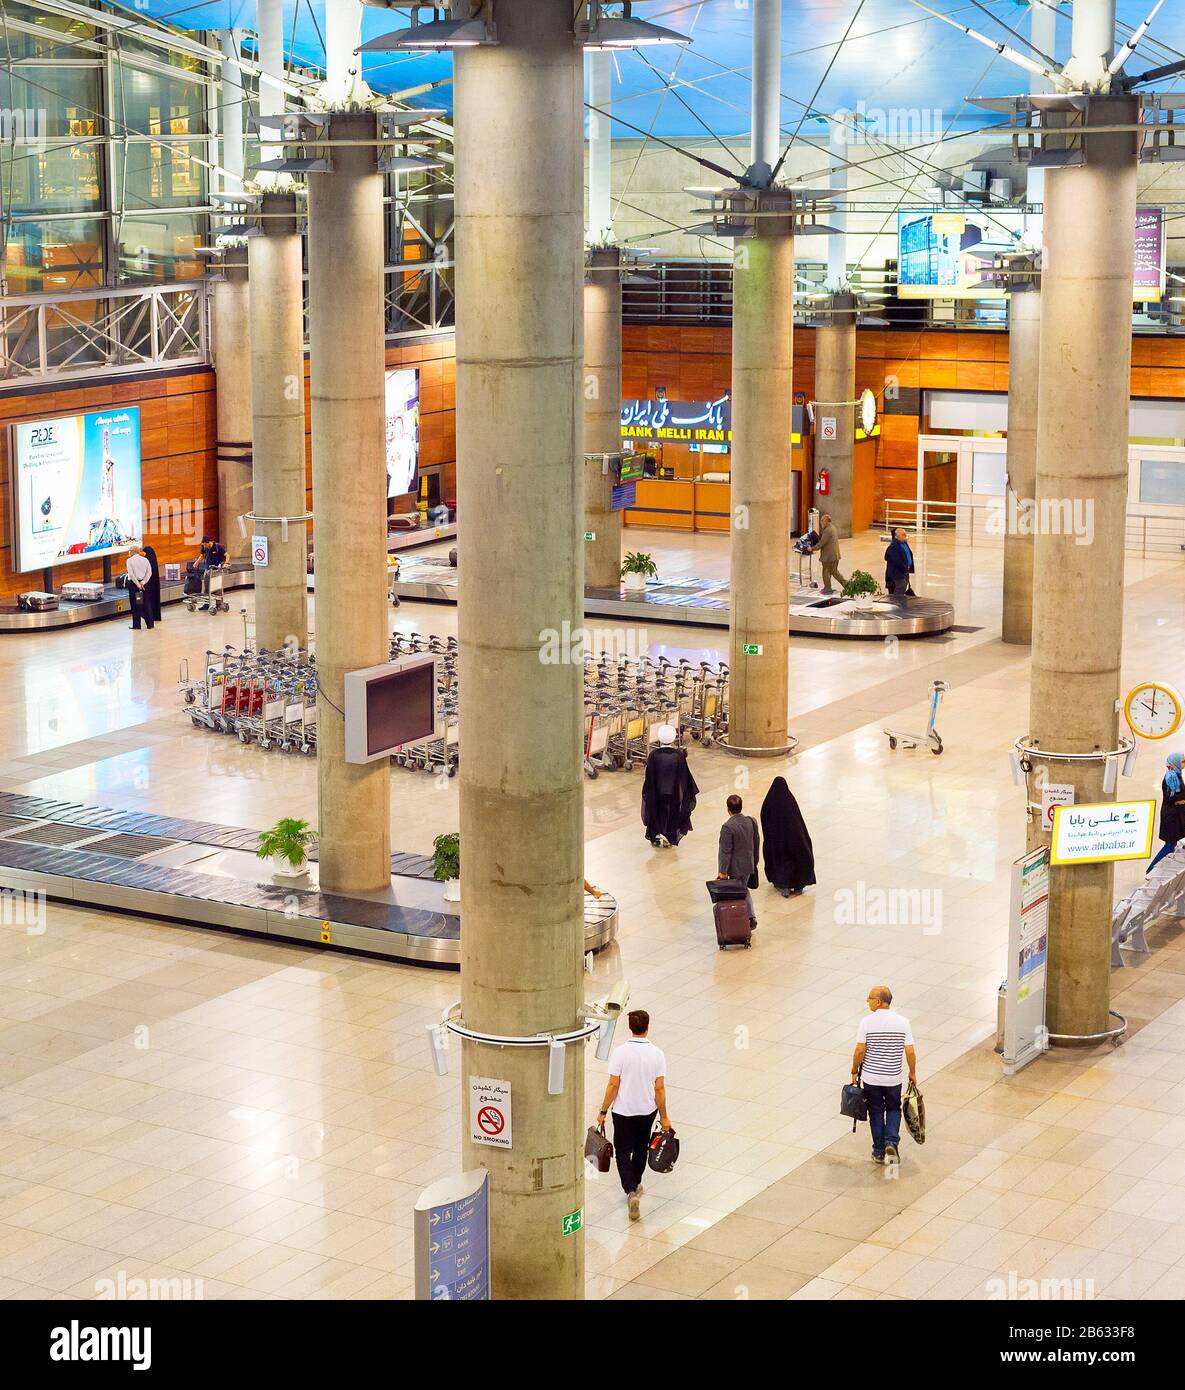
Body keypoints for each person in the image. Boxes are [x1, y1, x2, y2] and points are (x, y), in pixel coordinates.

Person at [595, 1009, 671, 1223]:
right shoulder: (657, 1054)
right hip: (647, 1111)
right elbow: (660, 1089)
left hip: (622, 1112)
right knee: (641, 1149)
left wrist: (602, 1111)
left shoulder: (620, 1053)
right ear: (647, 1027)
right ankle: (636, 1184)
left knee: (622, 1151)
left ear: (630, 1027)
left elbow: (613, 1085)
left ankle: (629, 1190)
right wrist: (664, 1116)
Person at [851, 985, 917, 1167]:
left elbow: (859, 1050)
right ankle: (891, 1143)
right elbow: (910, 1051)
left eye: (870, 998)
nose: (868, 1001)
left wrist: (854, 1069)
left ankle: (879, 1151)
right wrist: (912, 1072)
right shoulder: (903, 1022)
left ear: (879, 1001)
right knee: (894, 1109)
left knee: (876, 1111)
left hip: (871, 1078)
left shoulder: (866, 1022)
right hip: (893, 1077)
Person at [641, 725, 698, 848]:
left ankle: (657, 834)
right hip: (674, 792)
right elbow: (685, 775)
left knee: (658, 812)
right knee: (672, 813)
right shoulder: (678, 756)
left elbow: (649, 775)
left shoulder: (654, 755)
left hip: (657, 791)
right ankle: (669, 835)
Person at [760, 776, 816, 897]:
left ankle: (783, 885)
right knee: (795, 861)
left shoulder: (769, 802)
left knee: (781, 863)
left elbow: (764, 818)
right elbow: (797, 821)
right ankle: (798, 885)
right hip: (793, 839)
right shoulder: (790, 802)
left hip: (776, 842)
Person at [717, 793, 759, 929]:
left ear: (728, 809)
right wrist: (755, 861)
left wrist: (723, 871)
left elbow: (725, 851)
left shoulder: (727, 827)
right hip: (749, 863)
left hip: (736, 867)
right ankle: (750, 917)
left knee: (740, 892)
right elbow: (756, 842)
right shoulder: (751, 821)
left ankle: (748, 918)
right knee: (743, 889)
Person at [1148, 752, 1185, 873]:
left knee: (1172, 844)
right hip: (1171, 817)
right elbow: (1171, 797)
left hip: (1177, 815)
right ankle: (1151, 869)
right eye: (1182, 762)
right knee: (1169, 845)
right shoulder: (1171, 777)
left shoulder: (1176, 774)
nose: (1183, 764)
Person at [811, 513, 847, 594]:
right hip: (833, 555)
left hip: (829, 557)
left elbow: (821, 543)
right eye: (821, 521)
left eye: (822, 521)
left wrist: (811, 548)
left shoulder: (828, 530)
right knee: (834, 572)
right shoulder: (832, 528)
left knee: (826, 572)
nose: (821, 523)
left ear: (827, 521)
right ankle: (847, 586)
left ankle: (827, 588)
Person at [125, 546, 154, 631]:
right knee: (146, 603)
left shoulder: (129, 561)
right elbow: (149, 573)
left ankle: (137, 625)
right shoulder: (145, 560)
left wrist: (138, 584)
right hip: (144, 585)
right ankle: (150, 624)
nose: (129, 553)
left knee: (136, 605)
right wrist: (143, 582)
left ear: (133, 551)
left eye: (129, 551)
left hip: (134, 586)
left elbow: (131, 574)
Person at [884, 527, 916, 597]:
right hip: (897, 575)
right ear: (896, 536)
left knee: (905, 588)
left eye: (905, 534)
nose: (905, 536)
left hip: (904, 572)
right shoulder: (893, 547)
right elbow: (896, 562)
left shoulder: (904, 543)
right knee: (899, 593)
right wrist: (905, 568)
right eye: (903, 534)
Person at [142, 543, 162, 624]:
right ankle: (156, 616)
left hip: (149, 584)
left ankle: (149, 616)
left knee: (148, 601)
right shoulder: (153, 561)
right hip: (155, 584)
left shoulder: (147, 562)